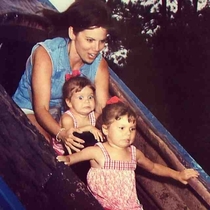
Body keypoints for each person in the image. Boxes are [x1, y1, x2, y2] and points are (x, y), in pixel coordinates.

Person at [57, 98, 199, 210]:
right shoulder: (98, 151)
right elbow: (73, 158)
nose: (128, 133)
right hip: (100, 205)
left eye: (132, 128)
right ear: (105, 130)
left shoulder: (133, 154)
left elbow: (153, 167)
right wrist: (65, 159)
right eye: (122, 128)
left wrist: (178, 175)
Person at [12, 0, 112, 152]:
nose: (96, 49)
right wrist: (62, 133)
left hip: (67, 117)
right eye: (90, 40)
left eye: (102, 41)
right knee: (44, 145)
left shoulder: (100, 65)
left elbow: (101, 111)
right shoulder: (46, 55)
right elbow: (41, 109)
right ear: (73, 33)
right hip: (29, 110)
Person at [53, 76, 103, 155]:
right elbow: (71, 135)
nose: (87, 101)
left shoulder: (95, 116)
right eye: (80, 98)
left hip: (83, 151)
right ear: (69, 102)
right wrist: (89, 128)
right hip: (62, 152)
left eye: (90, 97)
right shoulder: (67, 118)